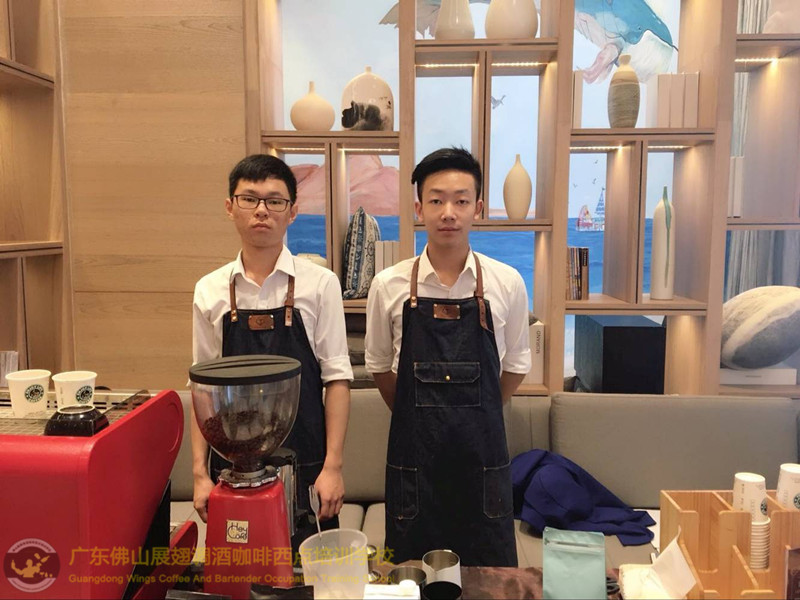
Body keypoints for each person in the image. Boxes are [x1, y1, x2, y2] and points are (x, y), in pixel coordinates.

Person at [365, 147, 531, 567]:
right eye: (437, 200)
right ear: (419, 208)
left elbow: (516, 366)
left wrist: (482, 407)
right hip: (415, 465)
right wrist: (412, 410)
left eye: (460, 201)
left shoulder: (507, 282)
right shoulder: (387, 285)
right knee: (411, 576)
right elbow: (379, 367)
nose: (448, 213)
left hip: (482, 462)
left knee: (489, 579)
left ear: (478, 208)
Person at [191, 154, 352, 529]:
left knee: (308, 561)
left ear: (292, 212)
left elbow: (337, 379)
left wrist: (333, 466)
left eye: (275, 201)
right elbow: (201, 391)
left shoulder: (321, 284)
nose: (261, 210)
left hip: (307, 460)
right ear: (230, 207)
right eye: (249, 199)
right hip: (230, 467)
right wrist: (199, 473)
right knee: (239, 561)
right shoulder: (210, 290)